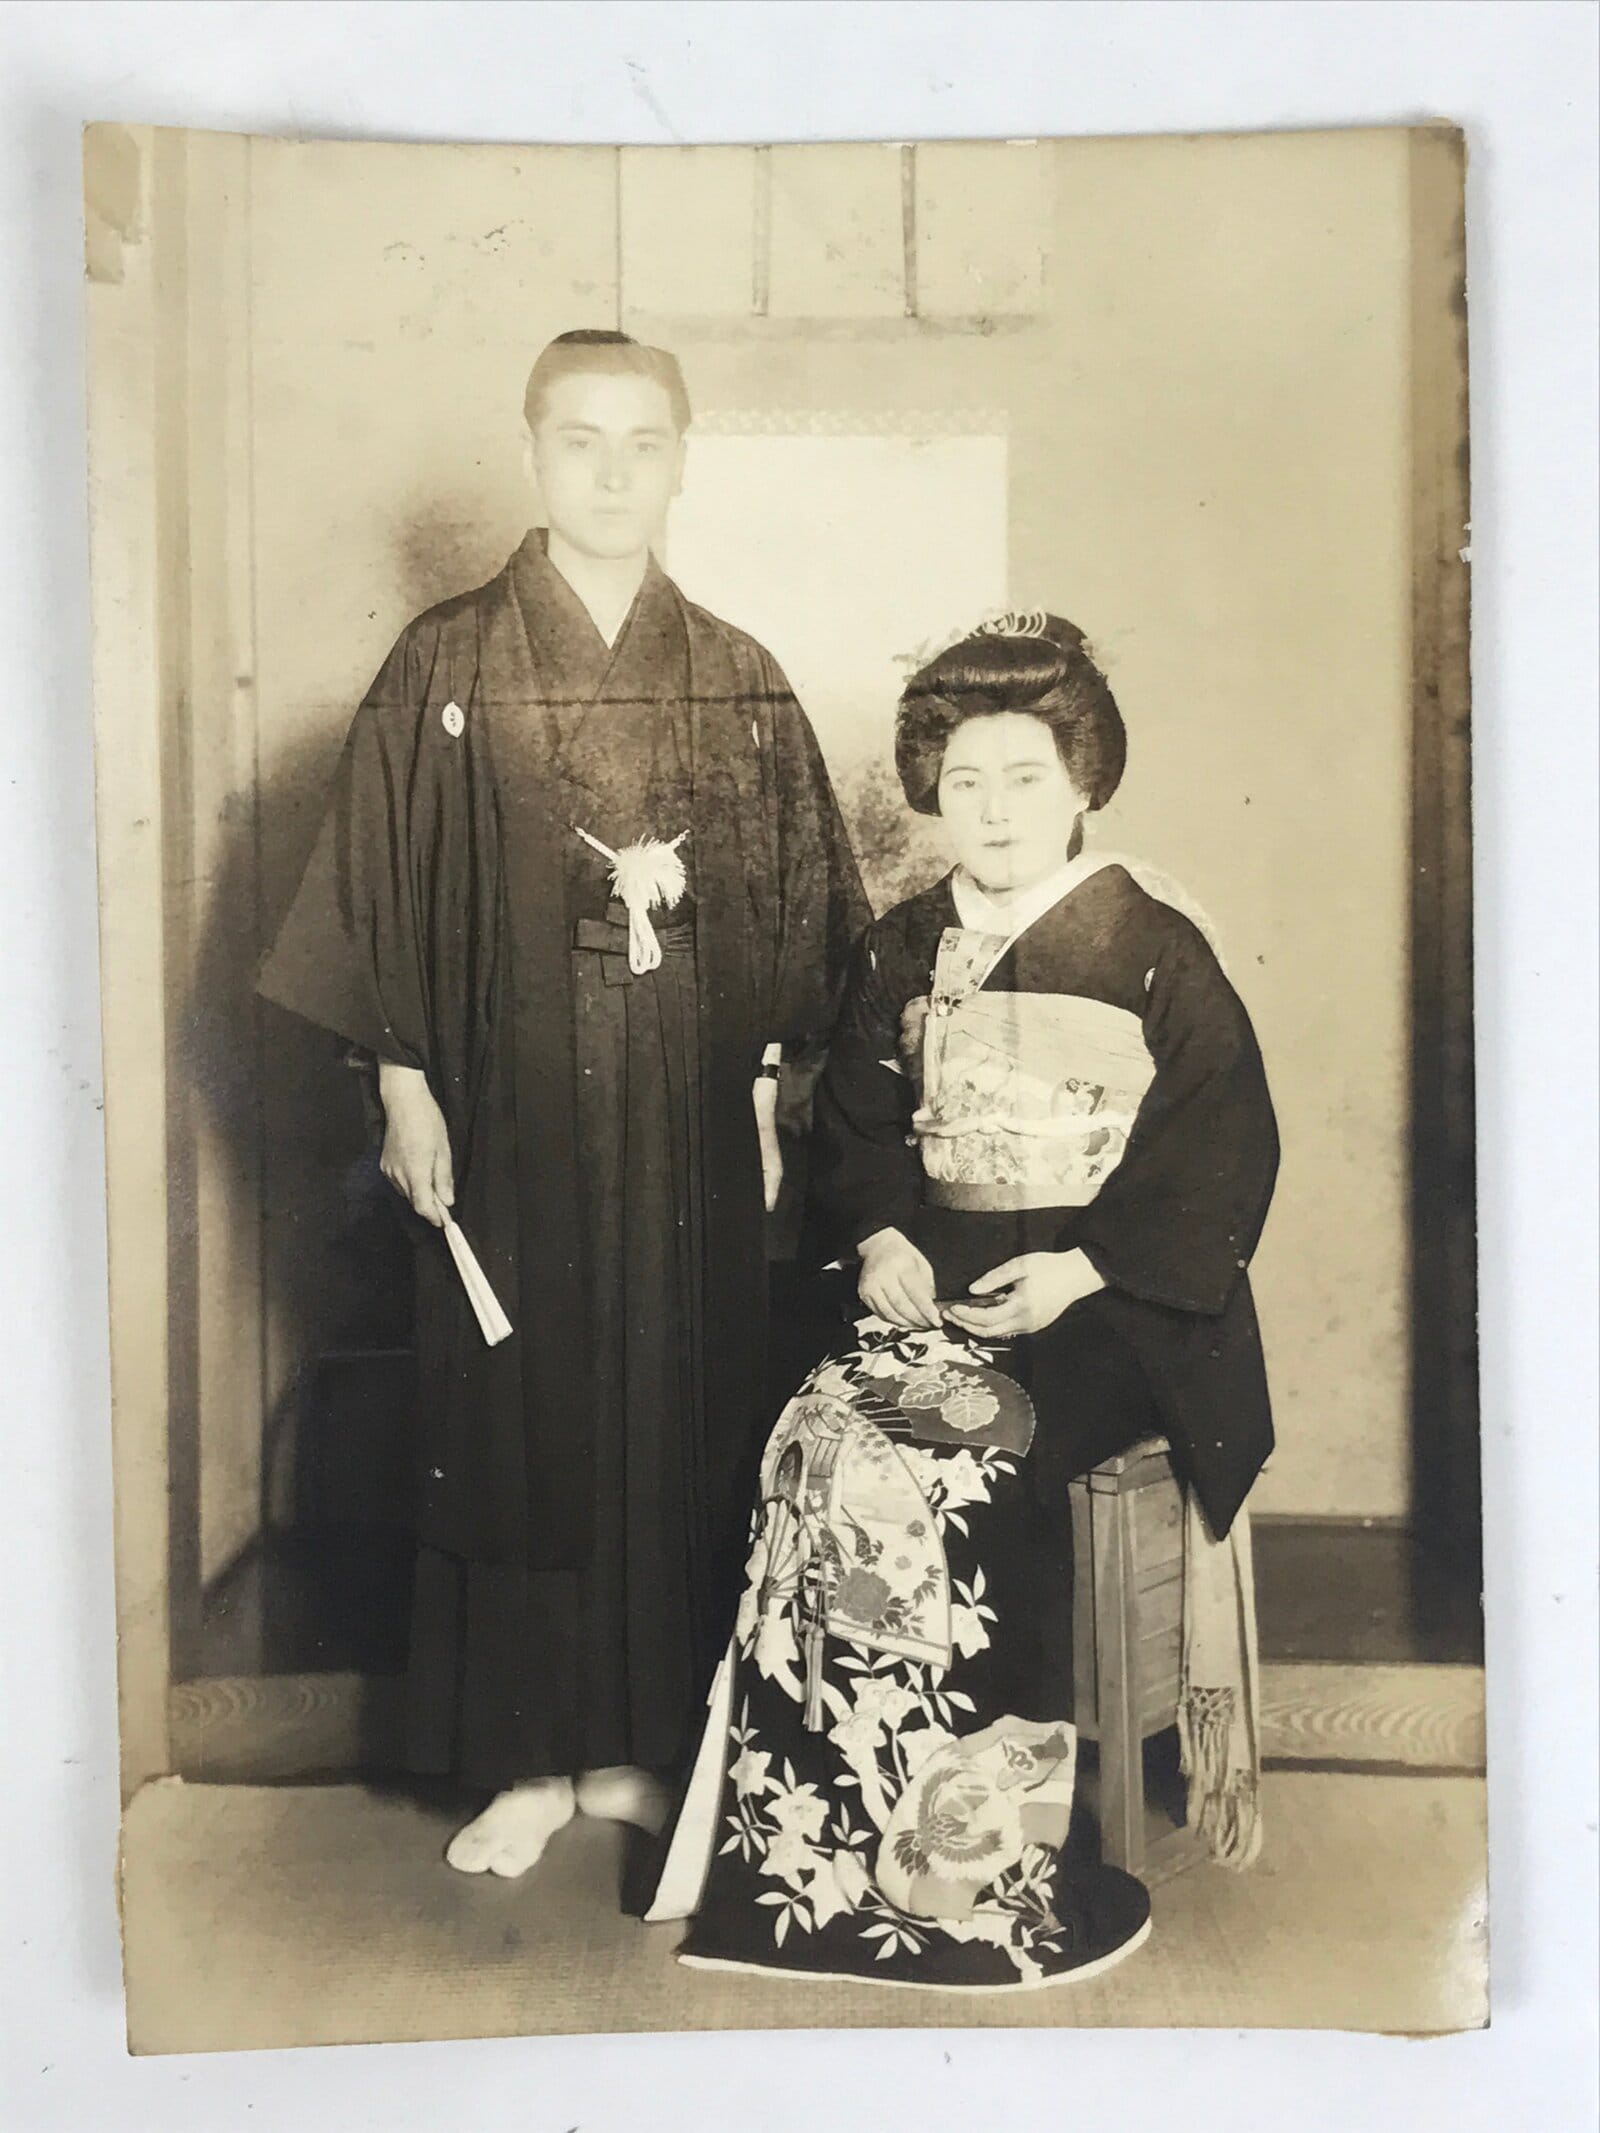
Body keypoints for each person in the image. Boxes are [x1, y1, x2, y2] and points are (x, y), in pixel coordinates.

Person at [258, 331, 867, 1879]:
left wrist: (760, 1085)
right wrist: (400, 1079)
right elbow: (379, 893)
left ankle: (639, 1744)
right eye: (580, 438)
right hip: (501, 1108)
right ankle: (525, 1763)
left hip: (677, 1123)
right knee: (511, 1417)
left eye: (642, 441)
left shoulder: (733, 672)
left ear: (680, 457)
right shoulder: (444, 661)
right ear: (532, 450)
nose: (610, 469)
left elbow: (794, 914)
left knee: (674, 1406)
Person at [646, 612, 1279, 1990]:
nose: (994, 814)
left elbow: (1223, 1144)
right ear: (934, 788)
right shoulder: (897, 947)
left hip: (1117, 1306)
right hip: (937, 1285)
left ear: (1084, 784)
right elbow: (858, 1130)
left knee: (973, 1460)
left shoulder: (1154, 941)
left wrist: (1086, 1269)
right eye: (969, 783)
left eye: (1027, 780)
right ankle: (815, 1865)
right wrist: (876, 1233)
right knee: (825, 1440)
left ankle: (997, 1875)